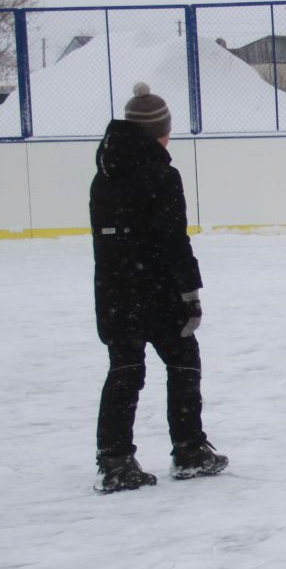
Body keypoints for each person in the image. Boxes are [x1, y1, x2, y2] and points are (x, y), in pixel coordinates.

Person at [90, 82, 227, 492]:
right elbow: (173, 239)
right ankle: (189, 450)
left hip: (115, 291)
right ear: (158, 132)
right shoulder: (161, 175)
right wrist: (190, 294)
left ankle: (114, 460)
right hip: (157, 290)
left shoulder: (104, 176)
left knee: (125, 371)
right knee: (183, 363)